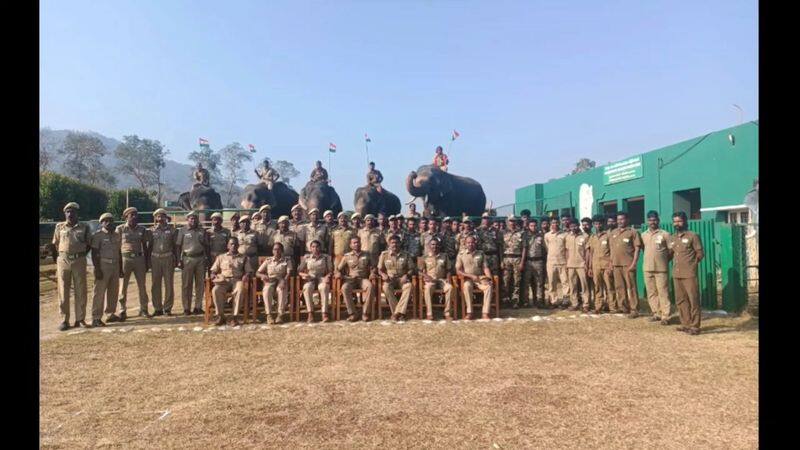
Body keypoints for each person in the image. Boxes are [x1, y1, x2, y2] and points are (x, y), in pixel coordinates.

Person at [53, 202, 91, 330]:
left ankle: (80, 319)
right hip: (63, 261)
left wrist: (79, 255)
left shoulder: (84, 227)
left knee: (81, 290)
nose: (70, 214)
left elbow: (89, 244)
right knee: (63, 290)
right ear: (65, 213)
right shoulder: (59, 227)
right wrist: (60, 258)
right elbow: (56, 244)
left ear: (77, 213)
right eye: (68, 211)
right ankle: (64, 320)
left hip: (79, 260)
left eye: (72, 211)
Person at [668, 212, 705, 335]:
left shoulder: (693, 236)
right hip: (676, 273)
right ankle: (685, 323)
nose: (677, 223)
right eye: (675, 221)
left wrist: (692, 265)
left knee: (693, 299)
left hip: (689, 273)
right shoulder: (672, 238)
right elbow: (670, 254)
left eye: (679, 221)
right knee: (680, 300)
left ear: (685, 221)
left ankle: (695, 326)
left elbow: (700, 253)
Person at [117, 207, 152, 320]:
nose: (135, 217)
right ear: (126, 216)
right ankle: (122, 310)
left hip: (139, 259)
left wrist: (147, 262)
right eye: (132, 215)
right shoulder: (120, 229)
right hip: (125, 259)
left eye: (136, 214)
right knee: (123, 287)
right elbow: (117, 248)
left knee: (142, 286)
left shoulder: (142, 229)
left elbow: (145, 247)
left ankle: (144, 309)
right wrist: (119, 264)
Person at [609, 212, 643, 318]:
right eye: (618, 219)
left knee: (631, 287)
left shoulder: (633, 232)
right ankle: (623, 307)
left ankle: (634, 309)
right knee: (619, 287)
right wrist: (611, 263)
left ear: (627, 220)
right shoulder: (613, 233)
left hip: (628, 264)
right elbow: (611, 249)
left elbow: (637, 249)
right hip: (616, 264)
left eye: (622, 219)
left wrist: (634, 263)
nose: (620, 221)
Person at [209, 237, 249, 326]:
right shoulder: (221, 257)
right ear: (228, 246)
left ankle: (234, 317)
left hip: (237, 280)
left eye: (235, 244)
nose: (233, 246)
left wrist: (246, 275)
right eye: (231, 244)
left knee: (240, 289)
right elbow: (214, 270)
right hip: (224, 280)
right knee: (216, 290)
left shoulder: (244, 257)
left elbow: (248, 271)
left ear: (238, 246)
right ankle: (220, 316)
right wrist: (213, 274)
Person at [90, 212, 121, 327]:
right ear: (101, 223)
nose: (108, 223)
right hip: (103, 265)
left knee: (113, 291)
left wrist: (121, 268)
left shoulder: (117, 235)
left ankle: (110, 314)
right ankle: (96, 317)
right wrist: (97, 268)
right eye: (105, 221)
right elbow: (94, 253)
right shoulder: (98, 235)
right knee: (99, 292)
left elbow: (119, 252)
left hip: (115, 265)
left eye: (111, 220)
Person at [335, 236, 376, 322]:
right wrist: (338, 273)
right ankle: (353, 313)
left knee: (370, 286)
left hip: (363, 279)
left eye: (358, 242)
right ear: (350, 245)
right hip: (351, 279)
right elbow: (338, 269)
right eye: (354, 243)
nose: (356, 244)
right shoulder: (347, 256)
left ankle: (365, 313)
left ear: (361, 243)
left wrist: (372, 273)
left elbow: (373, 267)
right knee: (344, 288)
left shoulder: (367, 254)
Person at [176, 210, 208, 315]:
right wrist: (179, 260)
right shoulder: (182, 231)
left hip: (200, 259)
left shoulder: (202, 231)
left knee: (200, 284)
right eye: (191, 218)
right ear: (187, 219)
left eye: (195, 218)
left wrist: (206, 259)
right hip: (187, 259)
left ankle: (198, 307)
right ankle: (186, 308)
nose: (193, 220)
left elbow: (206, 245)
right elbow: (178, 246)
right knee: (186, 285)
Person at [642, 211, 672, 324]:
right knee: (651, 292)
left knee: (663, 292)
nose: (652, 222)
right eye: (650, 220)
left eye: (654, 220)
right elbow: (643, 249)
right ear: (647, 221)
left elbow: (671, 250)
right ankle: (656, 313)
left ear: (658, 220)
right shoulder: (643, 235)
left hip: (661, 268)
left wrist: (664, 260)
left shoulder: (665, 234)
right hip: (647, 268)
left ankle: (666, 316)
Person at [378, 234, 416, 321]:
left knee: (409, 286)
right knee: (385, 287)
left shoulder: (406, 254)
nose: (394, 244)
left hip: (402, 279)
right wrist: (383, 275)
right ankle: (399, 312)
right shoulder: (384, 255)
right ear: (389, 244)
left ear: (400, 243)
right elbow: (379, 269)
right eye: (392, 243)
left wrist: (407, 275)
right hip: (390, 279)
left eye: (396, 243)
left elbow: (411, 269)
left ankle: (395, 313)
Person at [456, 235, 494, 320]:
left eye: (472, 242)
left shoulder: (481, 253)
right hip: (467, 278)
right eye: (468, 243)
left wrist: (489, 278)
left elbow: (485, 268)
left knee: (488, 286)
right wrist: (470, 276)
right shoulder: (461, 254)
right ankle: (470, 312)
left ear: (475, 243)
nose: (470, 244)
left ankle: (485, 313)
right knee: (466, 286)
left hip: (479, 278)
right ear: (465, 244)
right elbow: (458, 271)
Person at [257, 242, 293, 324]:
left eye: (278, 249)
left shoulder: (287, 260)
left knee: (281, 289)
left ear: (282, 251)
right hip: (270, 280)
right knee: (267, 289)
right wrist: (263, 276)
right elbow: (257, 272)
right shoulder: (268, 260)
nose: (276, 251)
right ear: (272, 251)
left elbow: (289, 273)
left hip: (281, 280)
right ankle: (269, 315)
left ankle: (280, 315)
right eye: (275, 249)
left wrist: (284, 281)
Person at [149, 209, 177, 316]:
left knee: (169, 284)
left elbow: (175, 247)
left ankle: (168, 308)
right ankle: (157, 308)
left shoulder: (172, 230)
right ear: (156, 218)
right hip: (155, 259)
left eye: (162, 216)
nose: (160, 219)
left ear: (166, 217)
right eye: (158, 217)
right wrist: (148, 261)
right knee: (155, 284)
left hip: (168, 258)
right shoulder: (151, 231)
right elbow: (149, 247)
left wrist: (177, 260)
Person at [298, 240, 333, 322]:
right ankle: (310, 313)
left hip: (321, 278)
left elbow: (331, 270)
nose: (315, 248)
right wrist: (304, 275)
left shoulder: (325, 257)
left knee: (324, 287)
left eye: (317, 246)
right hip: (310, 278)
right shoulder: (306, 257)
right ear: (310, 248)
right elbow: (299, 271)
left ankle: (324, 313)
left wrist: (327, 276)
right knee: (307, 287)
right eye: (313, 247)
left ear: (320, 248)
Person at [421, 237, 455, 320]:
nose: (434, 246)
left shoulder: (444, 256)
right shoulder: (425, 257)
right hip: (430, 281)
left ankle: (447, 313)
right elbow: (420, 271)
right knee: (428, 288)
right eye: (432, 244)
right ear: (429, 246)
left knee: (450, 288)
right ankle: (429, 314)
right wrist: (426, 276)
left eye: (436, 245)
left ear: (439, 246)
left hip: (441, 280)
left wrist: (448, 278)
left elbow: (449, 270)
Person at [587, 215, 615, 314]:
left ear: (603, 224)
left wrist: (611, 265)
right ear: (594, 225)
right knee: (597, 287)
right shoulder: (592, 237)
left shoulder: (608, 236)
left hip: (606, 265)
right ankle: (598, 306)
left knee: (609, 287)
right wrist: (590, 267)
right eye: (596, 224)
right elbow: (591, 253)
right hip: (595, 266)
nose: (598, 225)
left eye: (599, 223)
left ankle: (612, 307)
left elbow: (612, 251)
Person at [502, 215, 527, 308]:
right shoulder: (503, 233)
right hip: (506, 258)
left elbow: (524, 248)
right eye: (510, 221)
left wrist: (522, 262)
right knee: (505, 281)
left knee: (517, 281)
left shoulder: (521, 233)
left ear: (516, 222)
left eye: (513, 221)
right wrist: (501, 260)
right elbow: (500, 247)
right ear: (507, 222)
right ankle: (505, 300)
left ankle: (515, 301)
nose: (512, 222)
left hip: (517, 259)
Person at [565, 218, 590, 312]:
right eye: (571, 226)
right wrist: (567, 264)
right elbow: (567, 251)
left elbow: (588, 252)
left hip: (581, 265)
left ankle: (586, 304)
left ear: (578, 225)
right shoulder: (568, 236)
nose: (573, 228)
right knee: (572, 286)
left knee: (584, 286)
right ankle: (574, 303)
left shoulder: (585, 236)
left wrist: (586, 264)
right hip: (571, 265)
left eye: (575, 225)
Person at [522, 218, 546, 308]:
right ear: (528, 226)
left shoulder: (541, 235)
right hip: (528, 261)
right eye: (531, 225)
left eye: (535, 225)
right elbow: (523, 249)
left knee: (539, 282)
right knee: (526, 282)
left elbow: (544, 249)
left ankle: (539, 300)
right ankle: (526, 301)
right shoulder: (525, 235)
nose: (533, 227)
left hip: (539, 261)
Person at [544, 219, 568, 308]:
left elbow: (566, 248)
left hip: (562, 262)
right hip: (551, 262)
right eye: (553, 223)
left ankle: (566, 299)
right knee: (551, 282)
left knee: (565, 282)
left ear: (559, 223)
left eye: (557, 222)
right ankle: (553, 301)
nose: (555, 224)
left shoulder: (564, 234)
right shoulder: (547, 235)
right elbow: (547, 248)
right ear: (550, 224)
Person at [478, 213, 502, 287]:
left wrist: (501, 260)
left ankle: (496, 297)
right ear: (482, 219)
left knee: (496, 276)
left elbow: (500, 246)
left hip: (494, 256)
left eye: (487, 218)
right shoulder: (478, 231)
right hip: (483, 256)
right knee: (484, 277)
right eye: (484, 218)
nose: (486, 220)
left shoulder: (496, 231)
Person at [236, 215, 260, 280]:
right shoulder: (236, 234)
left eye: (247, 222)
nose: (245, 224)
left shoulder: (255, 233)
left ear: (250, 223)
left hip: (252, 258)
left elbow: (259, 245)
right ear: (240, 224)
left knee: (253, 277)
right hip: (241, 259)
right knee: (241, 276)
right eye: (243, 222)